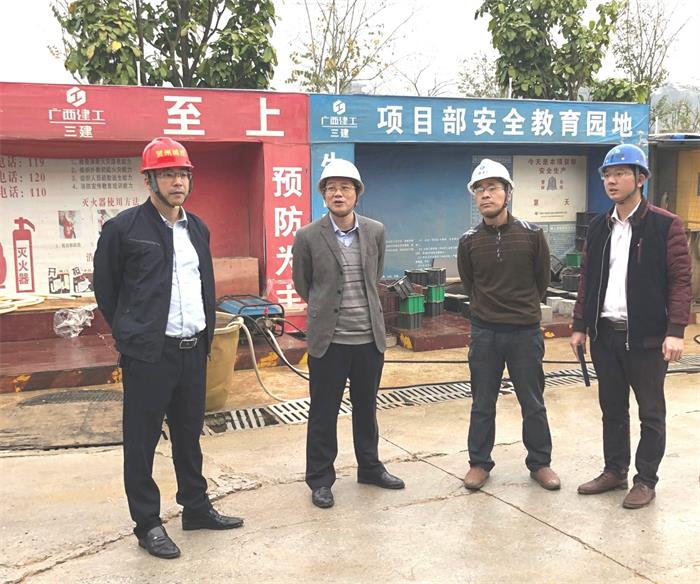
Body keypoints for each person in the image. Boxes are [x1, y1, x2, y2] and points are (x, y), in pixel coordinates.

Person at [93, 137, 243, 559]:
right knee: (141, 442)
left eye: (183, 174)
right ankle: (147, 523)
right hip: (149, 354)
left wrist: (205, 338)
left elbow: (203, 285)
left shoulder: (198, 228)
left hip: (192, 350)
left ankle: (195, 507)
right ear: (149, 180)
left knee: (189, 436)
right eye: (168, 174)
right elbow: (107, 289)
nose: (178, 182)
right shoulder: (123, 229)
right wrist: (132, 334)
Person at [570, 143, 691, 509]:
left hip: (648, 339)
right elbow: (587, 278)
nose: (612, 181)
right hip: (605, 334)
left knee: (650, 412)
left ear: (640, 179)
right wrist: (579, 324)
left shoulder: (665, 225)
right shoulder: (598, 226)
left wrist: (675, 330)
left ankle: (645, 480)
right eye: (607, 175)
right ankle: (614, 470)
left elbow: (680, 281)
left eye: (621, 173)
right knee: (612, 409)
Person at [292, 158, 404, 509]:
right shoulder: (308, 236)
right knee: (323, 412)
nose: (338, 193)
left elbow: (375, 275)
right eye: (331, 188)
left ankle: (370, 467)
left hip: (369, 339)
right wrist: (325, 309)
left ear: (357, 193)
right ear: (323, 194)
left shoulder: (375, 231)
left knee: (366, 408)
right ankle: (320, 479)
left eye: (345, 187)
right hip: (329, 341)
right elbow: (303, 284)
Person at [457, 159, 560, 492]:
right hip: (485, 333)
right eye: (480, 190)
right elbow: (470, 284)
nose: (486, 195)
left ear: (508, 193)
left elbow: (541, 281)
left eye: (493, 188)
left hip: (524, 333)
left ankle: (540, 463)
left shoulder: (532, 235)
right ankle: (479, 463)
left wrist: (520, 311)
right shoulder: (469, 240)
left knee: (532, 402)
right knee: (482, 402)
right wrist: (488, 311)